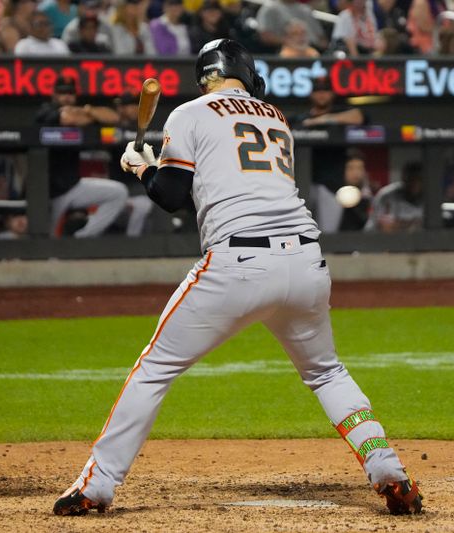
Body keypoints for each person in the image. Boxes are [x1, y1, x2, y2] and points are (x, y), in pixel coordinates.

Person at [52, 38, 422, 518]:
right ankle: (387, 469)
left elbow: (170, 196)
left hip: (238, 264)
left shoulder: (189, 112)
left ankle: (96, 485)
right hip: (307, 263)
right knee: (327, 372)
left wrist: (141, 167)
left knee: (155, 367)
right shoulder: (276, 117)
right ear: (246, 72)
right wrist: (153, 167)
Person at [35, 76, 128, 238]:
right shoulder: (44, 111)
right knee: (48, 239)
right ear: (54, 95)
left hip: (73, 185)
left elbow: (113, 117)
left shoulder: (81, 110)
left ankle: (82, 238)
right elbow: (68, 119)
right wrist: (87, 116)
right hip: (48, 191)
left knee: (118, 193)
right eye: (62, 93)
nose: (67, 97)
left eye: (70, 93)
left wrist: (87, 110)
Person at [107, 92, 156, 236]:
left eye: (137, 105)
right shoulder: (111, 128)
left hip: (137, 190)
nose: (135, 109)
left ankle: (133, 241)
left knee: (147, 204)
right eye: (130, 105)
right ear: (120, 108)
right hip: (115, 188)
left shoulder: (147, 128)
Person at [365, 161, 424, 232]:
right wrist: (380, 226)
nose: (415, 183)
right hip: (390, 242)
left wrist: (399, 225)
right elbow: (369, 229)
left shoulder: (433, 197)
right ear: (403, 178)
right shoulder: (386, 195)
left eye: (419, 179)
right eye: (411, 179)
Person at [255, 0, 327, 53]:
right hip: (282, 52)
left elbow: (322, 39)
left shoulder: (305, 9)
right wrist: (288, 41)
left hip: (312, 50)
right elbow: (265, 36)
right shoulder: (270, 8)